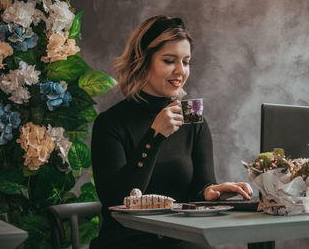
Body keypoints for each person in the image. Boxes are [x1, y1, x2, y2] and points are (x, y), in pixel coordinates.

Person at [90, 15, 253, 249]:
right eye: (169, 60)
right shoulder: (110, 122)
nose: (180, 71)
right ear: (143, 60)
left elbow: (199, 190)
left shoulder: (192, 117)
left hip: (183, 240)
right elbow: (116, 201)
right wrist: (154, 136)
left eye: (186, 62)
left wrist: (210, 192)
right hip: (127, 242)